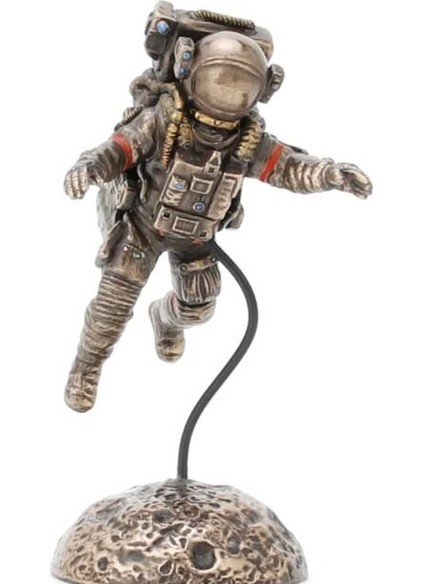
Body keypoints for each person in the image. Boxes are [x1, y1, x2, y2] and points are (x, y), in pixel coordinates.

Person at [63, 30, 372, 412]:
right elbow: (117, 150)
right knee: (113, 304)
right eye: (219, 80)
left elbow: (289, 167)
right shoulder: (160, 121)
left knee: (199, 307)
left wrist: (330, 174)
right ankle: (86, 368)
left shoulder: (249, 140)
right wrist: (89, 167)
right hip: (142, 229)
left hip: (196, 237)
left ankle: (165, 318)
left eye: (241, 85)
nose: (227, 94)